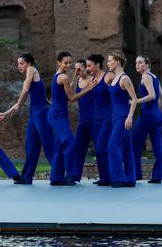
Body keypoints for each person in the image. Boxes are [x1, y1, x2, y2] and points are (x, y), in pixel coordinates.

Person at [0, 54, 54, 184]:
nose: (19, 66)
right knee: (31, 146)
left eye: (21, 63)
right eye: (18, 64)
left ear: (29, 63)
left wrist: (17, 104)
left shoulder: (31, 70)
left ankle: (59, 176)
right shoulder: (31, 75)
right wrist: (6, 113)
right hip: (34, 114)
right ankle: (27, 177)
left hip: (41, 113)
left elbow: (25, 90)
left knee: (48, 145)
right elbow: (27, 98)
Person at [47, 52, 98, 186]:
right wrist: (88, 88)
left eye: (70, 62)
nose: (69, 65)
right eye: (66, 63)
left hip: (60, 115)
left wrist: (75, 77)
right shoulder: (62, 77)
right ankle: (70, 175)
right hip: (57, 116)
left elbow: (70, 89)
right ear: (59, 62)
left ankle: (55, 178)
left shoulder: (60, 76)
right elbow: (72, 98)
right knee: (70, 142)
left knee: (59, 145)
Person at [106, 51, 139, 188]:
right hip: (115, 116)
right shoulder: (114, 78)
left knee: (112, 145)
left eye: (110, 61)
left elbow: (134, 99)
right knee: (126, 147)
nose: (107, 64)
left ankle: (119, 179)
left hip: (123, 116)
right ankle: (130, 179)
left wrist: (130, 117)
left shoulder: (124, 79)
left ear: (118, 62)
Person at [132, 55, 162, 184]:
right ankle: (157, 176)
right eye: (136, 63)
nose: (137, 65)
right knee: (158, 145)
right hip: (157, 114)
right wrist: (155, 110)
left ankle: (135, 174)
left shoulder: (145, 76)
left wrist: (135, 101)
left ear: (147, 64)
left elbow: (152, 96)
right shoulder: (154, 76)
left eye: (140, 63)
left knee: (134, 142)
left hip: (148, 114)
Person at [88, 54, 114, 185]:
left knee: (101, 147)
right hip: (96, 118)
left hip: (108, 116)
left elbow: (118, 90)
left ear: (97, 64)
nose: (88, 68)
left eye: (89, 65)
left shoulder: (108, 76)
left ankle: (111, 176)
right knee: (98, 149)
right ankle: (104, 178)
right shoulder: (92, 79)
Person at [70, 59, 98, 182]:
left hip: (94, 117)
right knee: (78, 146)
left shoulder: (93, 79)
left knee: (100, 146)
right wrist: (75, 77)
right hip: (82, 118)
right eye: (75, 68)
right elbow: (70, 94)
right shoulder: (77, 80)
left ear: (86, 68)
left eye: (79, 68)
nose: (77, 70)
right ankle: (75, 176)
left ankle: (106, 176)